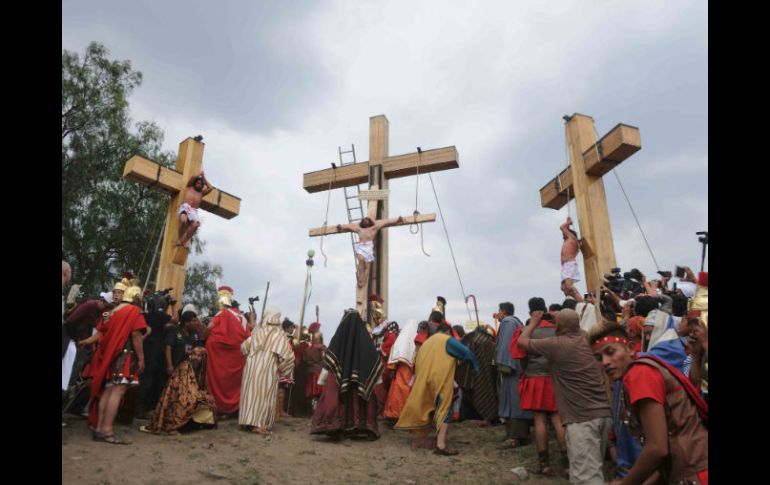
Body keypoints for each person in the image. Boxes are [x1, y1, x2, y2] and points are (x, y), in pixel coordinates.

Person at [590, 322, 708, 484]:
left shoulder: (640, 373)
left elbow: (657, 449)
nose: (605, 362)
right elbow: (664, 452)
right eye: (598, 358)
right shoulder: (643, 368)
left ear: (631, 348)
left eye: (610, 352)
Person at [517, 308, 612, 485]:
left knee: (586, 477)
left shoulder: (557, 344)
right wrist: (562, 320)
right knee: (595, 467)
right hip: (603, 414)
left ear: (558, 327)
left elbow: (521, 342)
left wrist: (533, 324)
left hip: (582, 419)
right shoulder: (586, 339)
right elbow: (578, 328)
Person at [394, 322, 478, 455]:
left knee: (430, 409)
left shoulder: (427, 342)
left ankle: (423, 439)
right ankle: (441, 445)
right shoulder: (446, 339)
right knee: (445, 410)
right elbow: (466, 353)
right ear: (447, 332)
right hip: (439, 381)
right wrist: (474, 366)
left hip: (423, 381)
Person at [86, 279, 148, 444]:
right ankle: (107, 431)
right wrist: (141, 358)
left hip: (112, 356)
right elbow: (136, 335)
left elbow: (103, 334)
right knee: (117, 391)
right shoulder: (134, 311)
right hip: (125, 356)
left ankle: (99, 428)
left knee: (108, 391)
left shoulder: (115, 311)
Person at [513, 298, 568, 477]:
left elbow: (518, 354)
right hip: (555, 378)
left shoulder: (524, 331)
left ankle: (544, 464)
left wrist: (527, 370)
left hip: (535, 378)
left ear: (530, 312)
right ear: (545, 309)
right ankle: (567, 463)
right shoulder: (557, 329)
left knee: (539, 420)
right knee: (558, 420)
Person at [311, 310, 383, 440]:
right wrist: (377, 379)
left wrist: (322, 379)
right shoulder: (365, 340)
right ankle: (362, 426)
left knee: (337, 397)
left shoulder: (338, 338)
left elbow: (330, 361)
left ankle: (337, 426)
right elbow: (373, 360)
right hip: (360, 378)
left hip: (339, 380)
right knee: (360, 397)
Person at [239, 309, 295, 435]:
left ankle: (247, 422)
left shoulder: (256, 333)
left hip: (251, 367)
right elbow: (289, 357)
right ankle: (259, 425)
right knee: (263, 396)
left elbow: (243, 348)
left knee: (250, 394)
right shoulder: (279, 336)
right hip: (267, 369)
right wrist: (283, 369)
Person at [140, 346, 217, 434]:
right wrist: (204, 396)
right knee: (193, 402)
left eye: (199, 356)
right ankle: (173, 427)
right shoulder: (185, 368)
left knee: (209, 404)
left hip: (191, 396)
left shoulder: (200, 371)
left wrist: (205, 396)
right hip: (178, 399)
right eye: (194, 354)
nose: (195, 357)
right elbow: (188, 392)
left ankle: (196, 424)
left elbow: (200, 388)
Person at [205, 286, 250, 418]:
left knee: (217, 380)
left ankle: (218, 408)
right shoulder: (243, 318)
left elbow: (209, 326)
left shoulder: (223, 313)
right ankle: (234, 408)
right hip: (237, 355)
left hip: (218, 354)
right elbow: (248, 337)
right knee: (234, 383)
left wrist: (205, 338)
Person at [495, 302, 532, 448]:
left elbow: (505, 345)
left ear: (503, 311)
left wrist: (503, 363)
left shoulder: (507, 322)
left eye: (499, 311)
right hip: (517, 366)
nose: (498, 314)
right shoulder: (517, 322)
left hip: (512, 367)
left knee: (513, 400)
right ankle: (517, 434)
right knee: (515, 399)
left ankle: (515, 435)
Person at [335, 216, 405, 289]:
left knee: (367, 267)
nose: (366, 221)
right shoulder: (359, 229)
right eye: (364, 220)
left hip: (368, 247)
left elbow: (385, 223)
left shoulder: (374, 228)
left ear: (370, 222)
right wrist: (341, 227)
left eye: (367, 220)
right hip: (361, 247)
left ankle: (363, 283)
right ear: (362, 222)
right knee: (361, 261)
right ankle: (360, 280)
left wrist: (397, 220)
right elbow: (350, 228)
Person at [457, 323, 498, 423]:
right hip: (485, 373)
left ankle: (467, 417)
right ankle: (481, 417)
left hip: (469, 373)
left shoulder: (469, 339)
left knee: (469, 393)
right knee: (484, 392)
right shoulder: (487, 342)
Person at [383, 320, 419, 423]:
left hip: (399, 370)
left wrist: (392, 368)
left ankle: (392, 414)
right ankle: (404, 415)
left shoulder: (401, 339)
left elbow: (395, 354)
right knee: (406, 391)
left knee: (395, 391)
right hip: (410, 370)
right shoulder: (415, 339)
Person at [176, 171, 213, 248]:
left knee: (195, 225)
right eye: (198, 183)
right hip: (186, 207)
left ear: (202, 185)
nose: (199, 184)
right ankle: (180, 238)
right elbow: (193, 177)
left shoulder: (201, 193)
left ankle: (184, 241)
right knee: (183, 220)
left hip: (194, 211)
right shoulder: (189, 187)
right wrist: (200, 173)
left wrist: (204, 178)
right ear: (195, 183)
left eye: (200, 184)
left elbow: (211, 188)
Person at [303, 322, 325, 412]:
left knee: (313, 393)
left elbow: (304, 360)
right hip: (319, 372)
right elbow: (324, 359)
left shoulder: (307, 348)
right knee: (319, 393)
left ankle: (313, 410)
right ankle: (318, 411)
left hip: (310, 371)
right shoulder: (321, 347)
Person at [560, 217, 581, 295]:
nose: (563, 233)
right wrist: (567, 223)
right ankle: (573, 303)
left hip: (570, 263)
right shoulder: (568, 240)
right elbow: (564, 228)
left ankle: (582, 302)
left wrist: (568, 223)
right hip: (565, 266)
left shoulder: (572, 238)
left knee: (569, 286)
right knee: (564, 288)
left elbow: (562, 227)